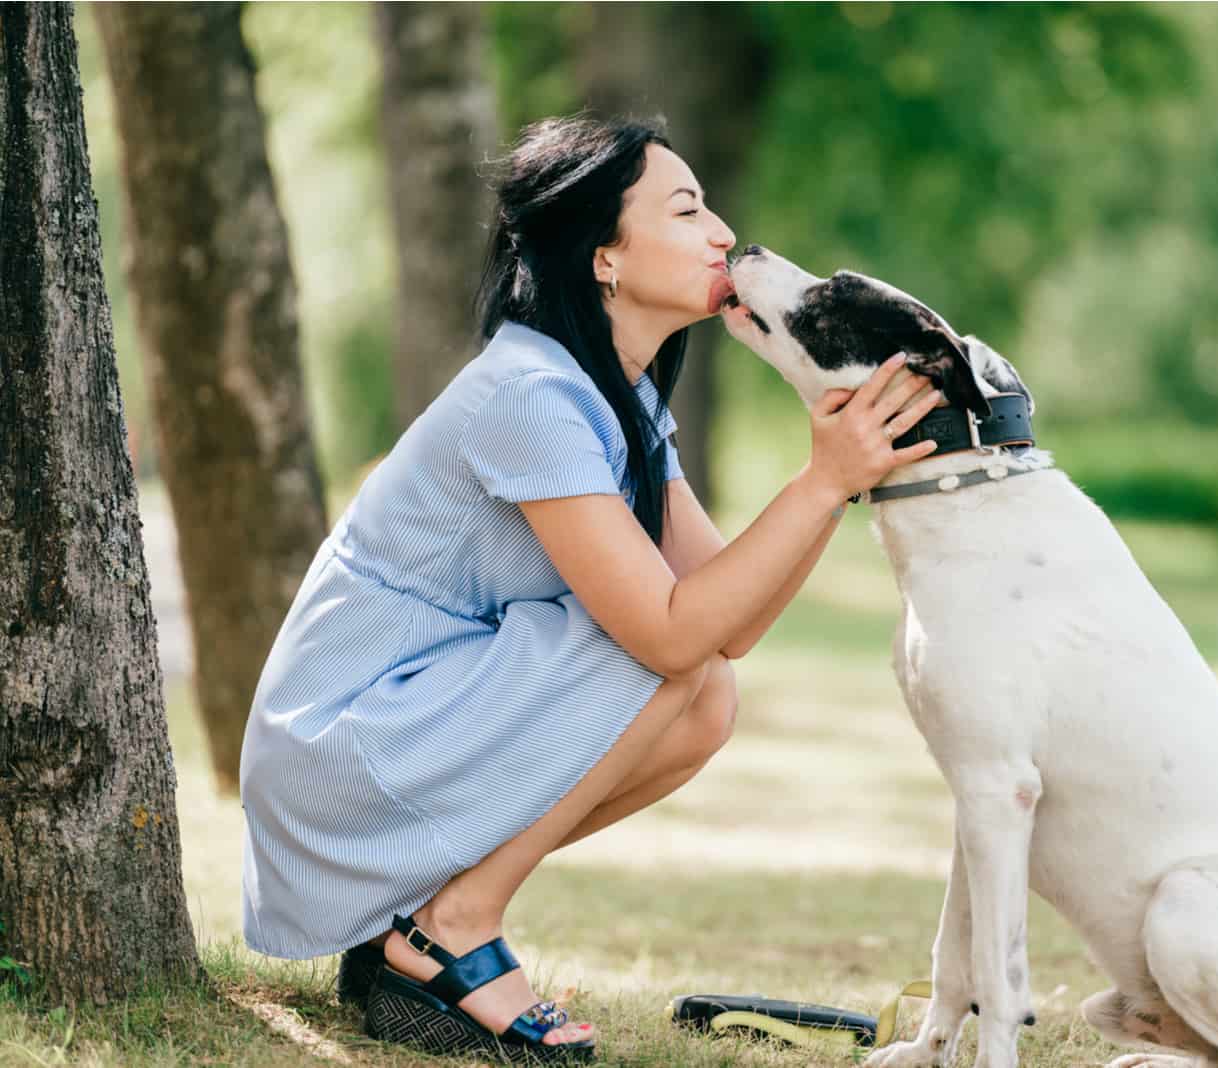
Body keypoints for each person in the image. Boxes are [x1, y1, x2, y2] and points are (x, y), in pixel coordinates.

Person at [237, 114, 945, 1062]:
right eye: (687, 210)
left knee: (705, 697)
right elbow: (667, 632)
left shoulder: (615, 393)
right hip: (342, 747)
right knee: (667, 659)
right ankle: (454, 924)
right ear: (603, 256)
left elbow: (725, 623)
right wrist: (821, 481)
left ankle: (421, 926)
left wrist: (834, 481)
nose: (723, 234)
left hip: (408, 725)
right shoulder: (529, 394)